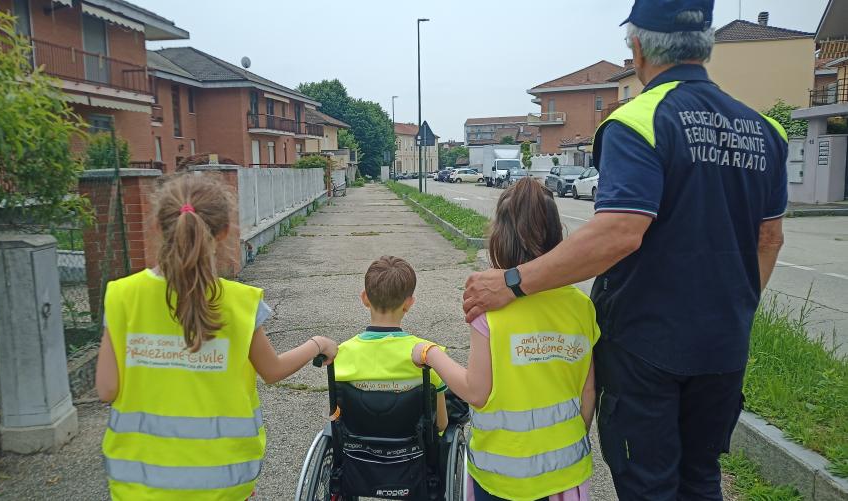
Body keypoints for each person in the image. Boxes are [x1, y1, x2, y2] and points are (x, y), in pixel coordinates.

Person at [462, 1, 788, 499]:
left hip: (646, 348)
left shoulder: (637, 122)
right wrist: (733, 310)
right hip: (724, 346)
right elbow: (769, 239)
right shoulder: (766, 130)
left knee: (648, 484)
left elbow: (619, 232)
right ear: (705, 46)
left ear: (638, 48)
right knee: (700, 477)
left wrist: (513, 281)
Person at [95, 174, 338, 500]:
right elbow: (272, 370)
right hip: (224, 481)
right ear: (224, 232)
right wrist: (318, 344)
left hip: (138, 483)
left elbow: (107, 389)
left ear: (158, 227)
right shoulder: (241, 302)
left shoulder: (122, 296)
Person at [415, 178, 598, 501]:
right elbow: (588, 391)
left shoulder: (490, 309)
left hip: (501, 476)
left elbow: (476, 391)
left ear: (499, 236)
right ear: (556, 233)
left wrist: (431, 354)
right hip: (566, 473)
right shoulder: (581, 305)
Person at [334, 255, 448, 432]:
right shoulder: (429, 355)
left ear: (365, 298)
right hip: (413, 453)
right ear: (408, 303)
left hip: (356, 451)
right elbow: (440, 424)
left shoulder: (341, 354)